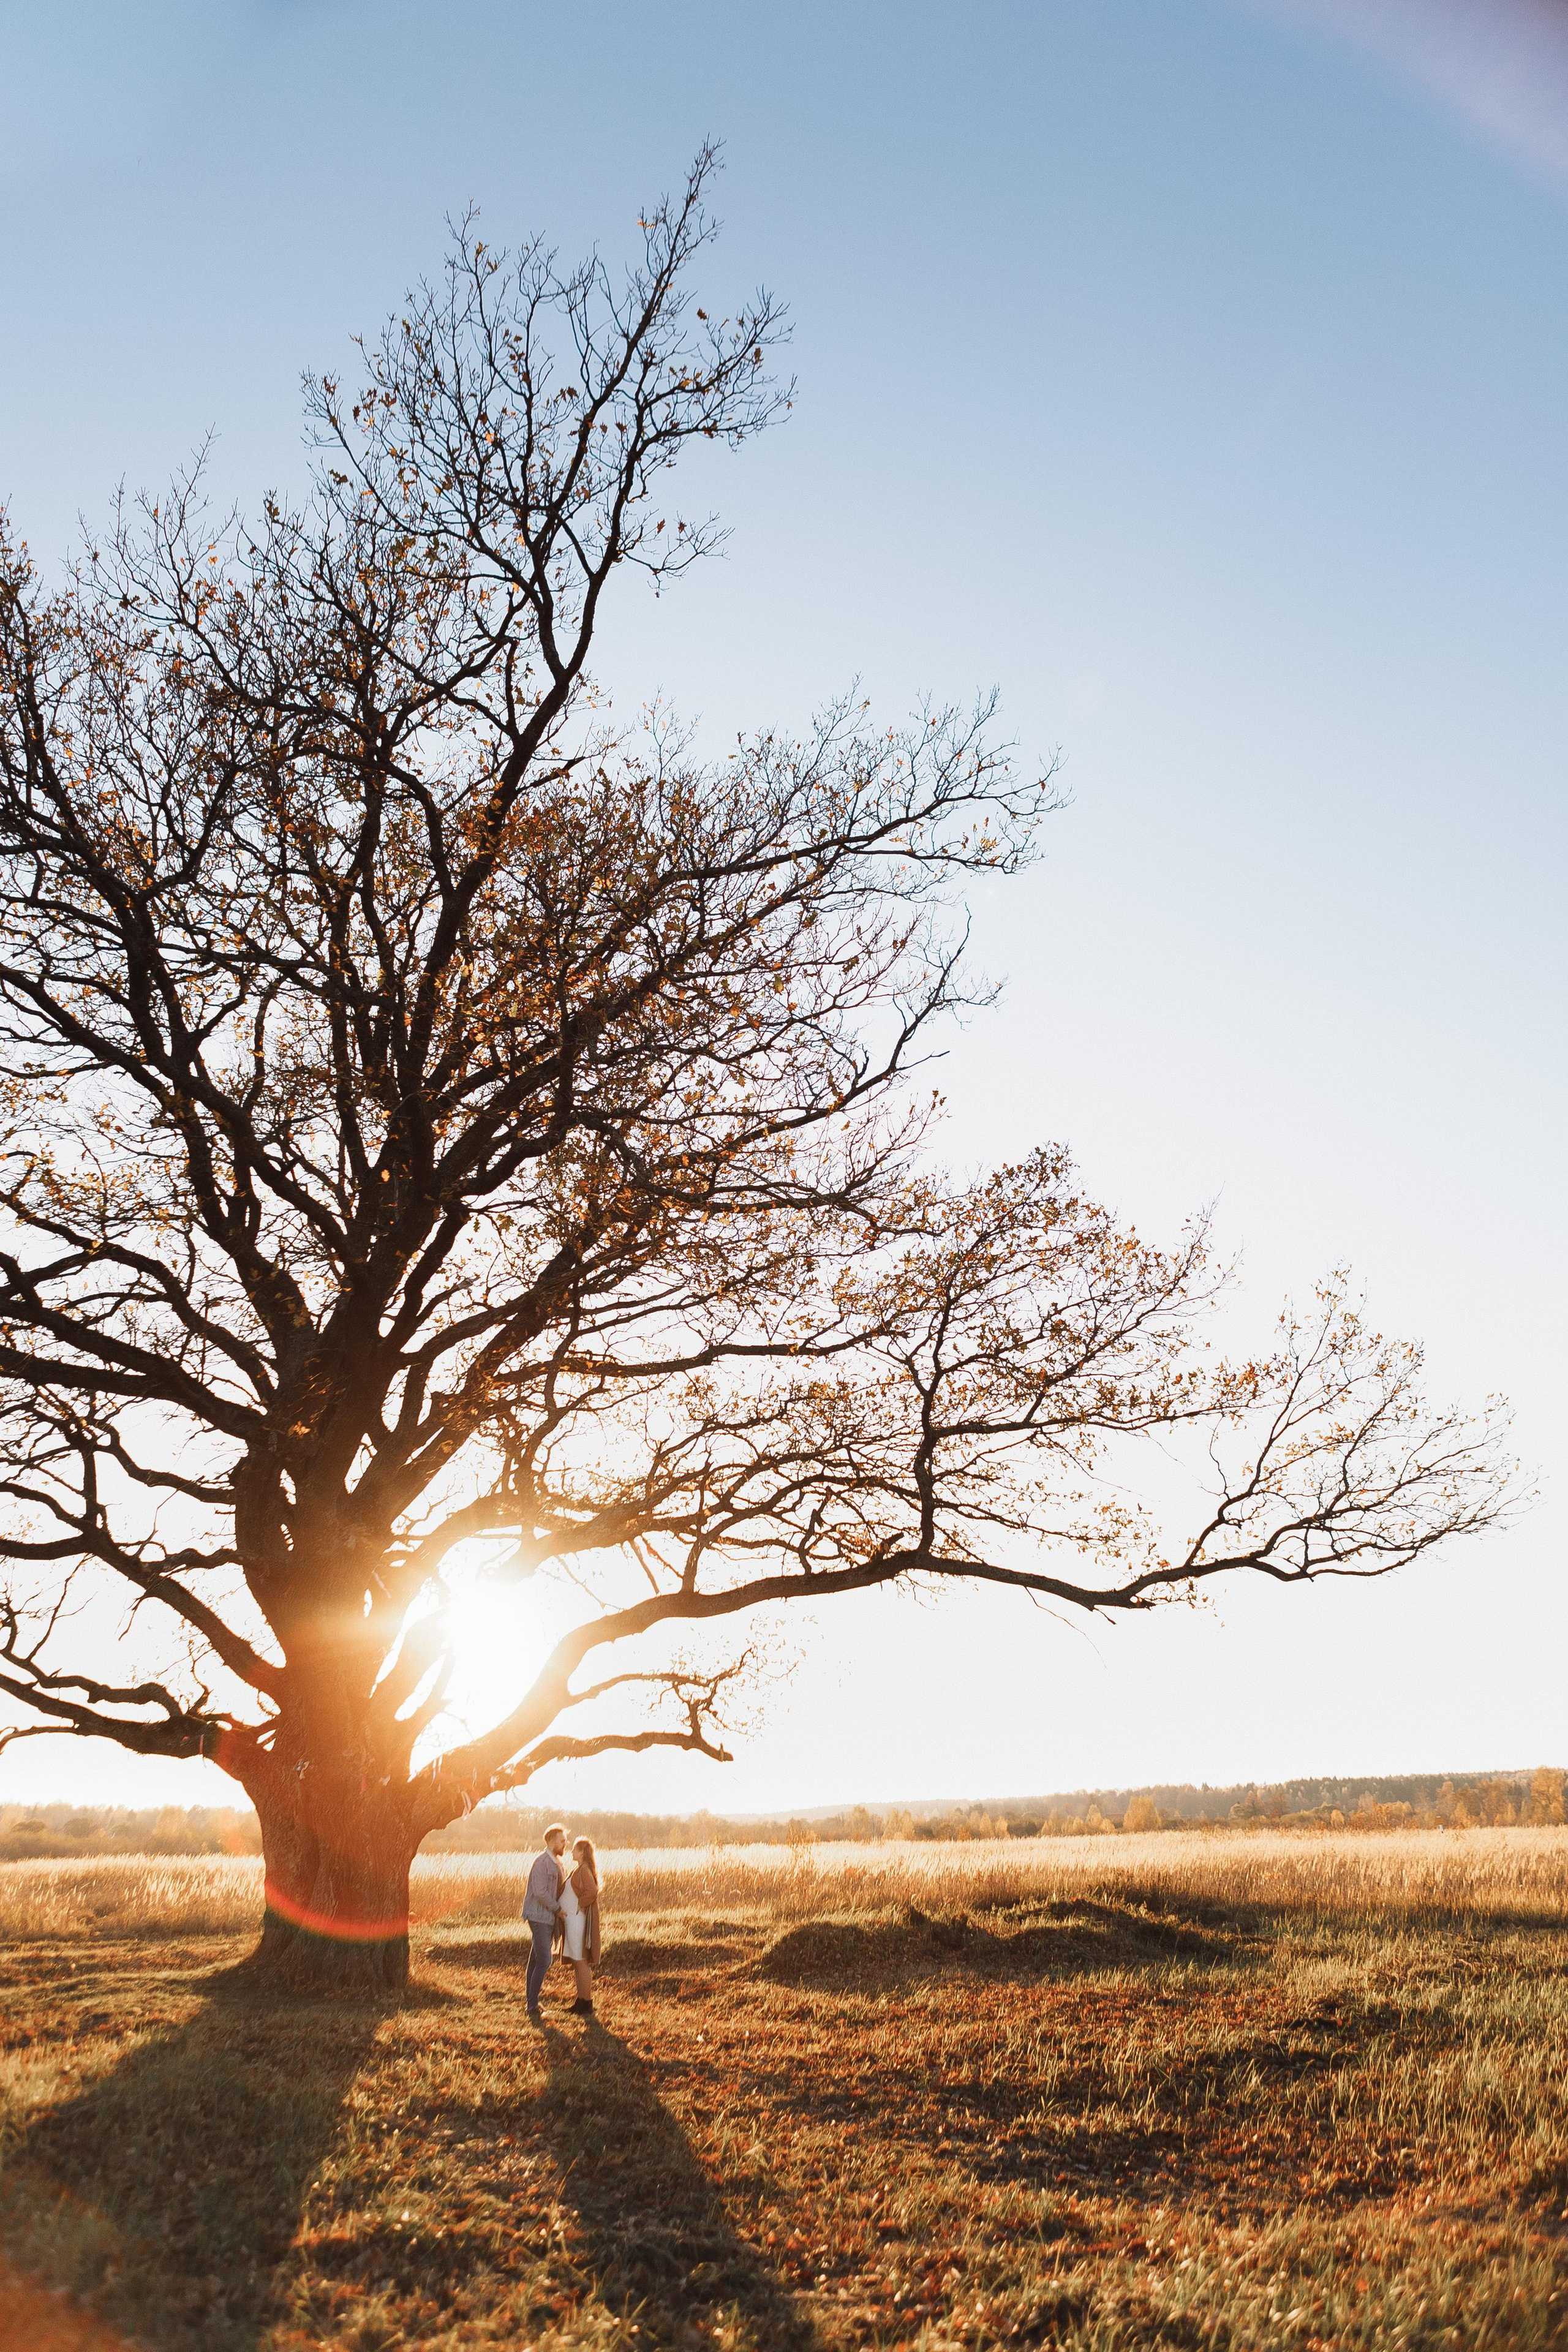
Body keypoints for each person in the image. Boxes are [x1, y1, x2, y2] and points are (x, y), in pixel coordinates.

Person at [522, 1823, 567, 2021]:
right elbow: (539, 1891)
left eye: (565, 1840)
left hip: (547, 1918)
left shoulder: (557, 1863)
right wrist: (557, 1909)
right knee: (545, 1960)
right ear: (551, 1841)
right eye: (562, 1841)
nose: (565, 1844)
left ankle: (532, 2003)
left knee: (535, 1960)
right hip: (539, 1916)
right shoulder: (542, 1863)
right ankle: (531, 2006)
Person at [559, 1835, 601, 2015]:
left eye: (574, 1849)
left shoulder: (584, 1870)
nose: (571, 1852)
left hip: (577, 1922)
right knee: (577, 1963)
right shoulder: (580, 1869)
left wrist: (579, 1906)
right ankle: (581, 2000)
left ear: (582, 1852)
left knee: (581, 1962)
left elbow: (592, 1891)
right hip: (572, 1922)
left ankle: (587, 2002)